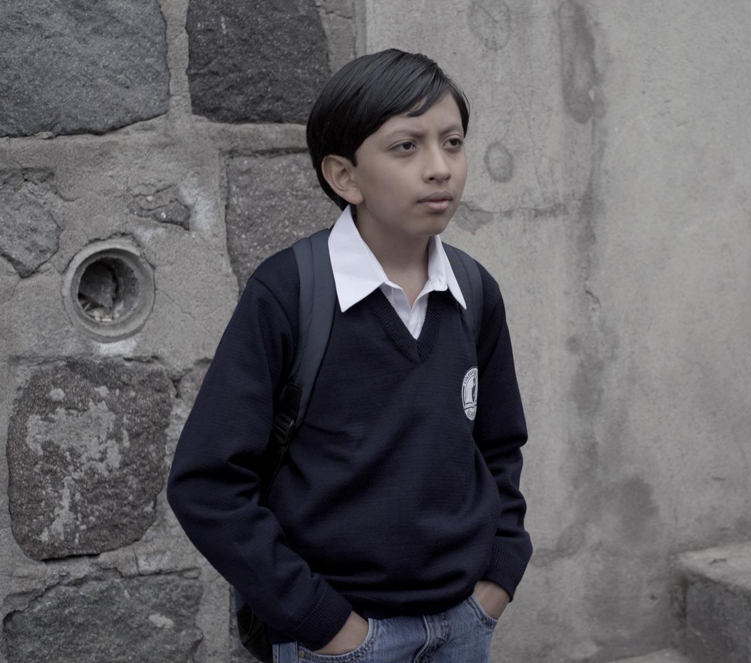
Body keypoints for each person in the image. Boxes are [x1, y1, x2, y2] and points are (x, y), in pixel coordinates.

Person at [167, 50, 532, 663]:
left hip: (464, 624)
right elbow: (207, 484)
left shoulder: (474, 292)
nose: (440, 168)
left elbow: (498, 446)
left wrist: (499, 575)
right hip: (340, 641)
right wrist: (325, 624)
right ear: (345, 176)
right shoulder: (289, 294)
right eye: (406, 147)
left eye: (452, 142)